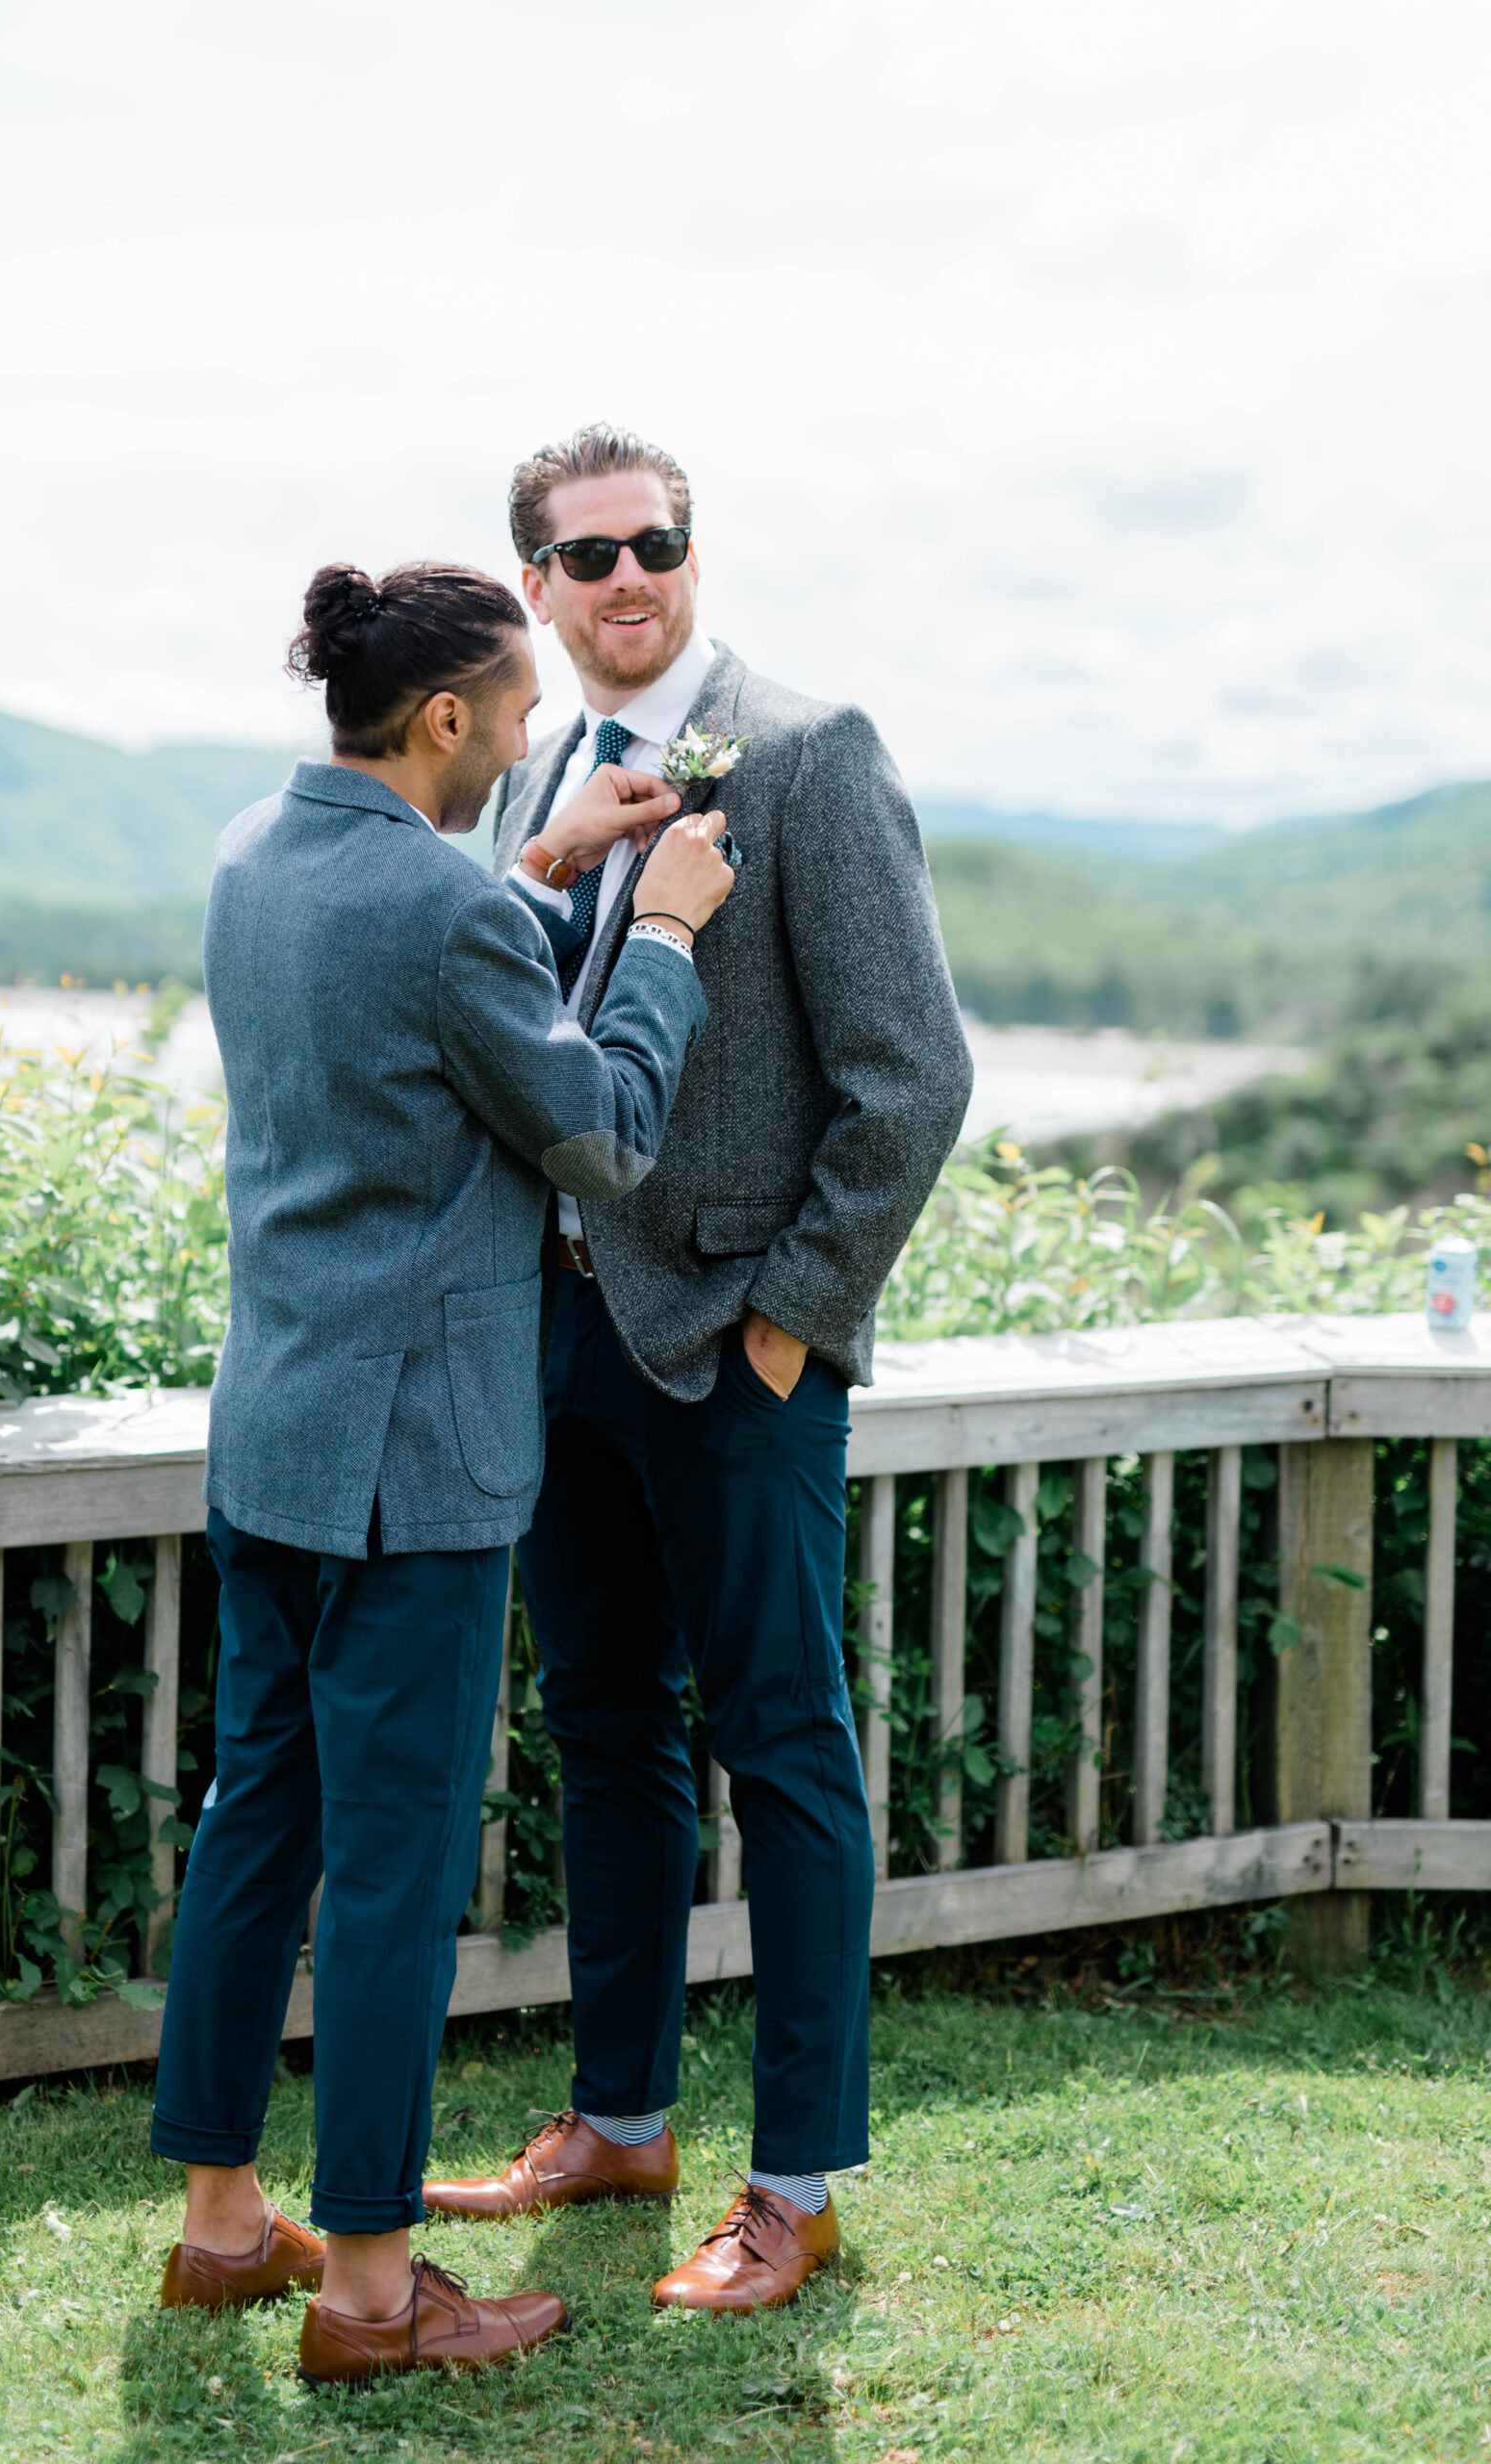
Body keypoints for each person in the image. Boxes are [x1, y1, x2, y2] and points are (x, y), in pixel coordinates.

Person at [147, 556, 736, 2384]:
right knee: (397, 1869)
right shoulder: (448, 911)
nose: (530, 738)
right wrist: (662, 938)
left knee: (261, 1825)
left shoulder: (260, 849)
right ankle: (378, 2294)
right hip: (419, 1463)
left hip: (277, 1435)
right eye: (512, 712)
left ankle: (230, 2228)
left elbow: (410, 984)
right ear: (450, 721)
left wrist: (543, 870)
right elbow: (606, 1139)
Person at [423, 425, 973, 2313]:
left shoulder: (812, 753)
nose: (629, 574)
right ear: (541, 591)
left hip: (735, 1345)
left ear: (689, 557)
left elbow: (914, 1073)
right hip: (551, 1328)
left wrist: (791, 1314)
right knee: (602, 1730)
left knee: (786, 1749)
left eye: (656, 539)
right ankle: (623, 2115)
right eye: (588, 555)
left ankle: (798, 2180)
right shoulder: (526, 781)